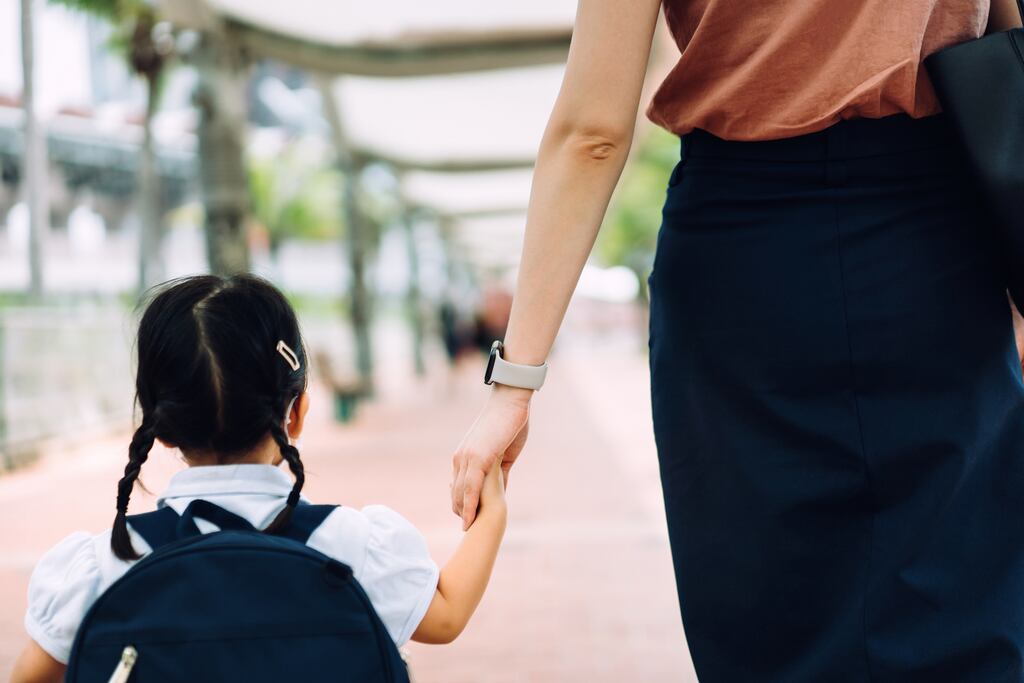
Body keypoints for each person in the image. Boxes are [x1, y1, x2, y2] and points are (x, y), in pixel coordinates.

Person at [450, 0, 1024, 679]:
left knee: (770, 611)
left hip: (742, 260)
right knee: (962, 587)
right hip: (930, 245)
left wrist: (514, 387)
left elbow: (592, 133)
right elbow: (1006, 42)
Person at [12, 275, 507, 683]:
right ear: (297, 413)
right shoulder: (348, 545)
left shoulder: (103, 566)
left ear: (159, 428)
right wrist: (493, 509)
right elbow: (446, 613)